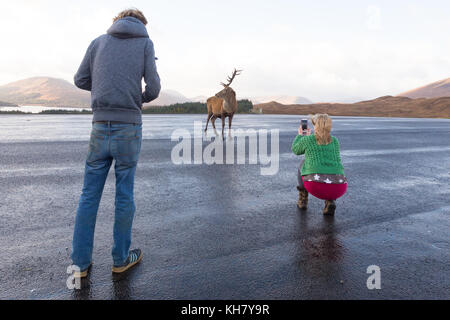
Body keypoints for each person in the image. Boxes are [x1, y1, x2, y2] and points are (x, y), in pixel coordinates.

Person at [71, 8, 161, 277]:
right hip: (129, 129)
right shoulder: (145, 43)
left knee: (89, 196)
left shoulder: (98, 42)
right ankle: (121, 259)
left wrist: (104, 88)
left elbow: (80, 79)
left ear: (116, 21)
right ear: (141, 24)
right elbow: (154, 88)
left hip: (99, 127)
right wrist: (134, 98)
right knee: (124, 194)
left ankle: (80, 265)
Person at [291, 114, 347, 215]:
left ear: (316, 126)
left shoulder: (308, 139)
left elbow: (295, 150)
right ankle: (330, 201)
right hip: (339, 187)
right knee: (332, 166)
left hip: (315, 185)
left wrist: (300, 135)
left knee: (302, 164)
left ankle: (303, 200)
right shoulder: (335, 141)